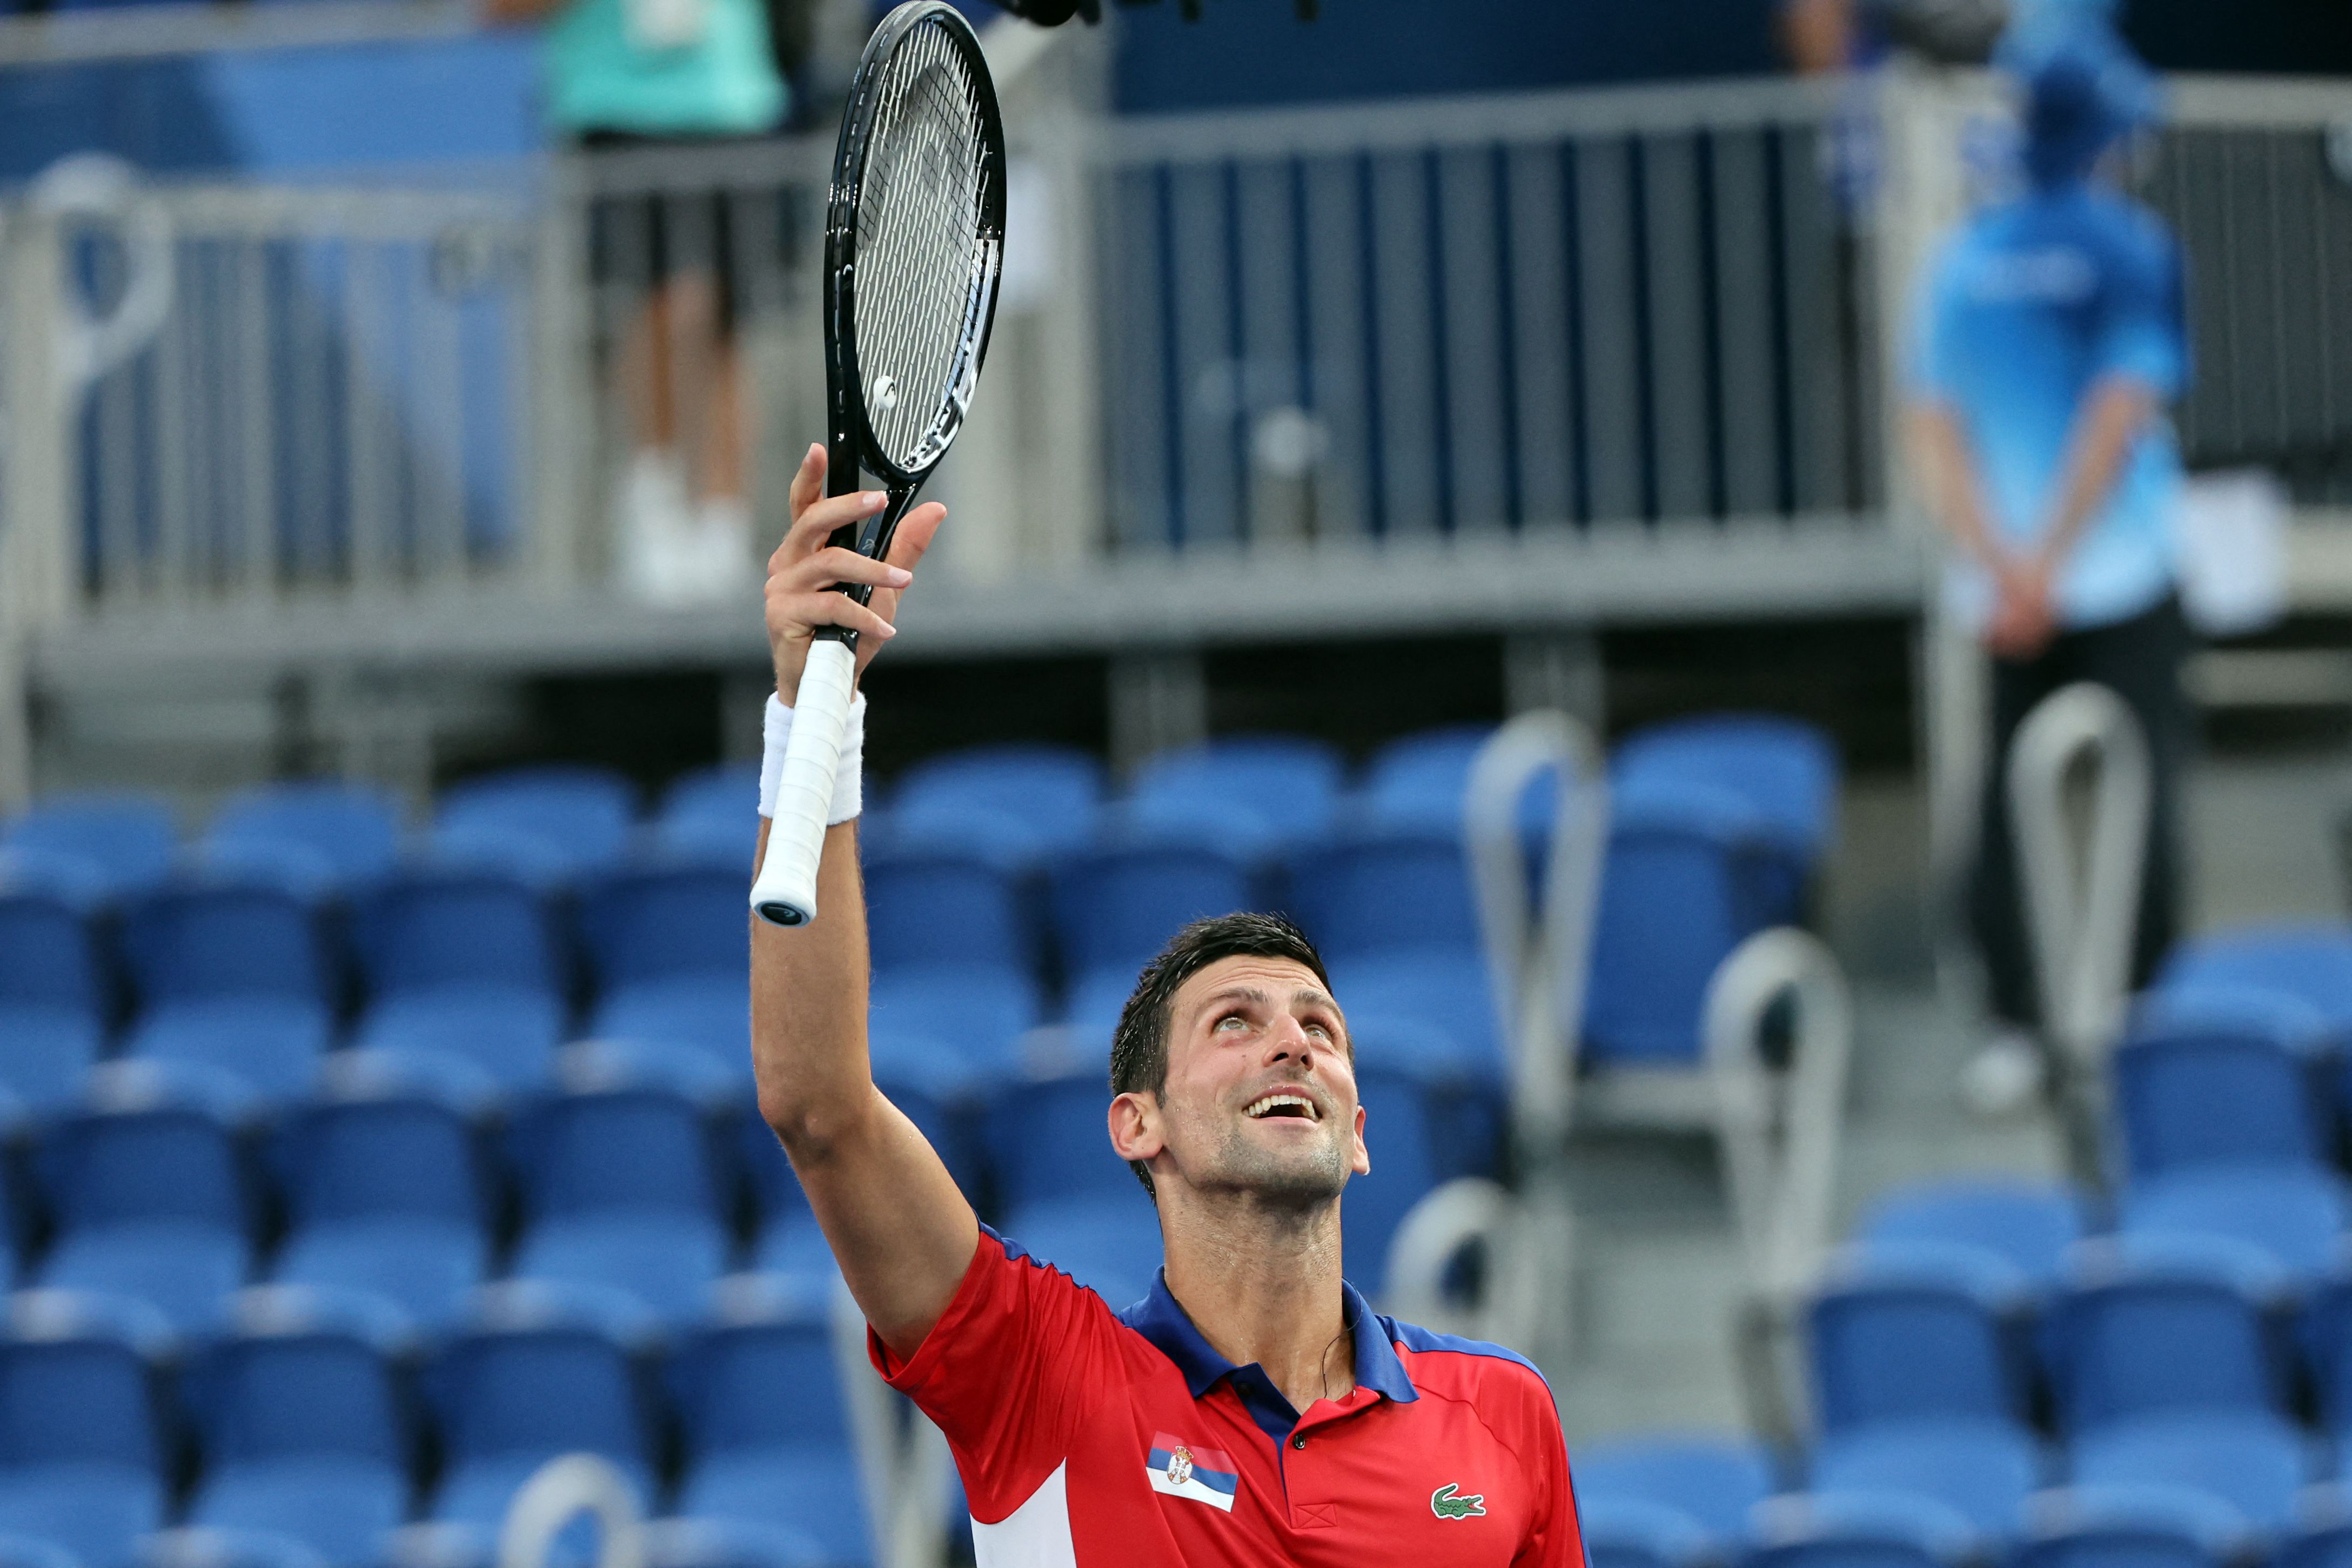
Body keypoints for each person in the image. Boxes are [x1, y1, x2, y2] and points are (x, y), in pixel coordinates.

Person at [749, 443, 1582, 1565]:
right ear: (1135, 1123)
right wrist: (812, 709)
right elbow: (818, 1107)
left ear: (1360, 1133)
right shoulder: (1037, 1373)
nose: (1291, 1043)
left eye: (1319, 1028)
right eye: (1234, 1021)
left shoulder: (1504, 1412)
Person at [1906, 22, 2190, 1113]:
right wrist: (2048, 562)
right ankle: (2140, 1016)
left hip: (2009, 594)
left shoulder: (1961, 261)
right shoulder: (2130, 249)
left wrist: (2004, 565)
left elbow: (1931, 433)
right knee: (2141, 791)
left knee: (2003, 803)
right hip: (2115, 578)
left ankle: (2017, 1025)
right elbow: (2118, 415)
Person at [484, 0, 787, 604]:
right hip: (616, 113)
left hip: (732, 107)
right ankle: (654, 514)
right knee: (650, 312)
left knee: (725, 324)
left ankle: (724, 523)